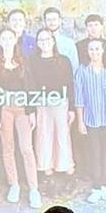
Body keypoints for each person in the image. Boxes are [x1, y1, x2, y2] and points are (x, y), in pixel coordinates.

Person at [0, 27, 42, 208]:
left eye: (10, 38)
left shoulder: (23, 61)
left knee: (26, 148)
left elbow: (31, 86)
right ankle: (14, 185)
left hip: (22, 108)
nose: (7, 41)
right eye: (3, 38)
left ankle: (34, 189)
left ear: (15, 40)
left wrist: (32, 111)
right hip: (4, 108)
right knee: (8, 148)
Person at [74, 38, 106, 204]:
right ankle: (95, 187)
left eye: (97, 49)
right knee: (93, 153)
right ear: (87, 52)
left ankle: (103, 186)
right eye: (91, 49)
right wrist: (80, 121)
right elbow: (79, 99)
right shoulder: (82, 71)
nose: (94, 52)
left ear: (103, 51)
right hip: (91, 120)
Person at [30, 28, 76, 191]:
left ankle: (69, 173)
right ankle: (48, 174)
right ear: (37, 43)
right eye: (41, 40)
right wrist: (31, 109)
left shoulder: (63, 61)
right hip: (41, 104)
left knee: (62, 138)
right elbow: (30, 86)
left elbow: (70, 84)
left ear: (53, 41)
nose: (44, 43)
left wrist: (71, 108)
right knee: (43, 137)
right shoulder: (32, 62)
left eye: (47, 39)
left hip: (61, 104)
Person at [42, 7, 79, 72]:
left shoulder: (69, 43)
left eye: (54, 19)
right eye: (49, 20)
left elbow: (74, 67)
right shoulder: (39, 42)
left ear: (60, 21)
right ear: (44, 22)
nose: (52, 22)